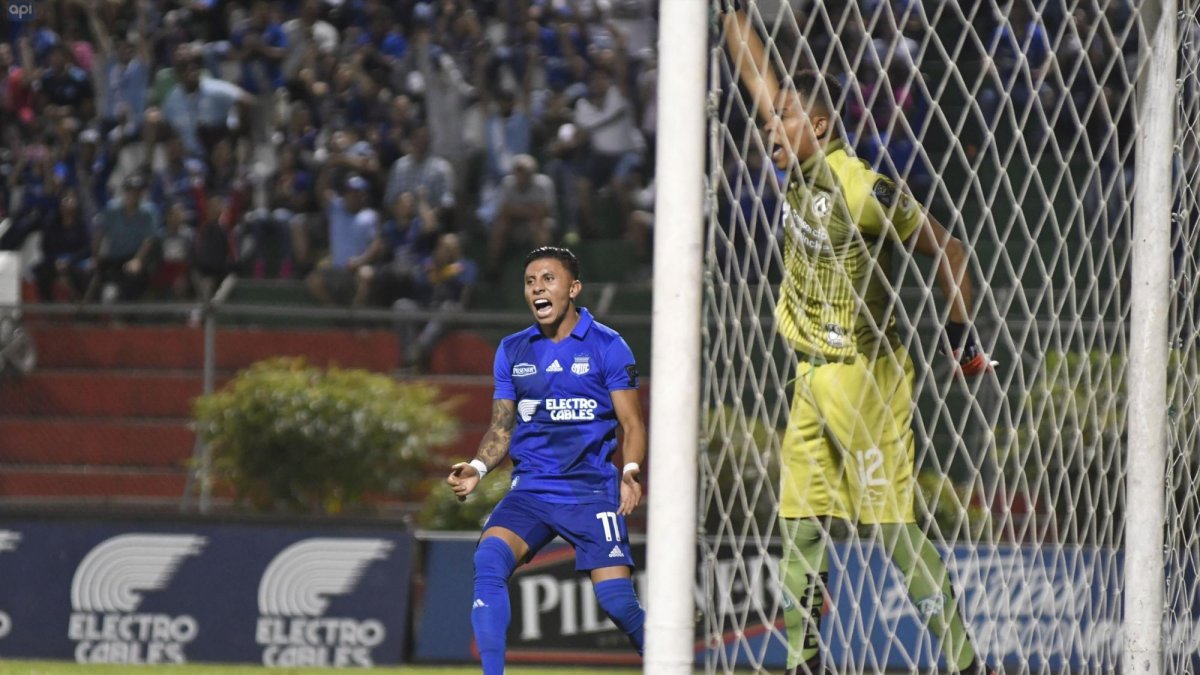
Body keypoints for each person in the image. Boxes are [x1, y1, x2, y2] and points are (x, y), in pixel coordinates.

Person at [722, 6, 995, 675]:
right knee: (798, 524)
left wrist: (961, 337)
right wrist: (730, 13)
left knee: (893, 529)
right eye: (767, 120)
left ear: (818, 124)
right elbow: (756, 74)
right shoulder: (796, 170)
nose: (768, 126)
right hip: (808, 374)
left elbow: (950, 248)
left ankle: (967, 665)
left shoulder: (863, 187)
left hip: (865, 373)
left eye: (783, 117)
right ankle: (801, 662)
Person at [446, 246, 647, 674]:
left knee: (617, 604)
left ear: (573, 288)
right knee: (488, 562)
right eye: (530, 281)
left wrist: (630, 473)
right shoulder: (513, 350)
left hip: (591, 491)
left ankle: (668, 660)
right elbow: (501, 428)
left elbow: (632, 423)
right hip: (532, 490)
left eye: (548, 279)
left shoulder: (609, 346)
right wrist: (478, 468)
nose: (537, 287)